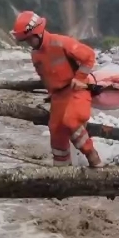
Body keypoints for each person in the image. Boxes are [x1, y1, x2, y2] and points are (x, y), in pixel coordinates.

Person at [10, 10, 102, 167]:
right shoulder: (35, 55)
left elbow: (89, 55)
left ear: (38, 32)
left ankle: (94, 159)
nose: (28, 43)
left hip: (76, 91)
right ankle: (61, 170)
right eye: (25, 40)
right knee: (56, 132)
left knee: (71, 121)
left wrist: (80, 77)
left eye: (29, 39)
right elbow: (45, 76)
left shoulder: (61, 42)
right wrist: (50, 92)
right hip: (58, 97)